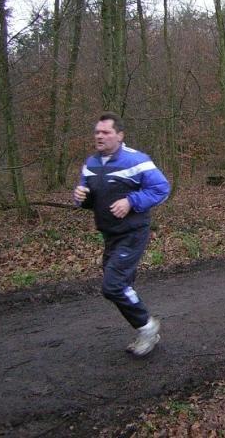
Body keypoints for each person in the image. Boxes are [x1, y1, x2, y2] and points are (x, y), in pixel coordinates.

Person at [73, 112, 170, 356]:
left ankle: (147, 327)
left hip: (133, 232)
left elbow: (161, 189)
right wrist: (81, 198)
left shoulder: (136, 160)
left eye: (105, 132)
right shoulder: (91, 164)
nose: (99, 136)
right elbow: (90, 197)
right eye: (97, 132)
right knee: (120, 284)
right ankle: (145, 326)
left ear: (120, 135)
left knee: (113, 286)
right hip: (109, 234)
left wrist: (131, 201)